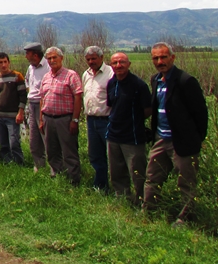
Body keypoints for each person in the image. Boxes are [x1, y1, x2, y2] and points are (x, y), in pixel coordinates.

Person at [143, 42, 208, 225]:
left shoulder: (185, 81)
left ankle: (185, 219)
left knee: (186, 183)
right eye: (156, 58)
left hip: (182, 142)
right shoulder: (155, 79)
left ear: (173, 57)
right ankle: (149, 214)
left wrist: (196, 139)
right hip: (160, 139)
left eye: (163, 57)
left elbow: (200, 113)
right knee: (152, 177)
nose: (160, 61)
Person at [106, 52, 151, 204]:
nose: (118, 65)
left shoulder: (139, 85)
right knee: (116, 172)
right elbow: (112, 105)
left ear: (129, 64)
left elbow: (147, 110)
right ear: (111, 66)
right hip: (113, 135)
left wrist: (132, 121)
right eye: (115, 63)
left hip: (132, 136)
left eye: (122, 62)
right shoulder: (112, 83)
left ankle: (141, 201)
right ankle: (123, 199)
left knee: (137, 173)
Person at [39, 47, 83, 185]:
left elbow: (78, 97)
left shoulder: (71, 75)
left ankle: (74, 180)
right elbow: (42, 98)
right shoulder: (46, 77)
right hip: (48, 118)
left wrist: (75, 120)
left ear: (61, 58)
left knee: (69, 151)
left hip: (65, 119)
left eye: (54, 57)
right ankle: (57, 177)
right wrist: (41, 119)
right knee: (52, 151)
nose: (52, 61)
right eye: (49, 58)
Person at [82, 46, 114, 191]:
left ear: (101, 57)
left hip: (106, 120)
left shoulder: (110, 74)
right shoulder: (86, 74)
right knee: (95, 154)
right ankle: (100, 185)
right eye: (88, 59)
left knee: (112, 154)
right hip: (91, 120)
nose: (91, 61)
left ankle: (117, 187)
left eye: (93, 58)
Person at [0, 52, 27, 165]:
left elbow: (23, 96)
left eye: (5, 62)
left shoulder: (17, 76)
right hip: (0, 116)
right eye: (1, 62)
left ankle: (19, 163)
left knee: (14, 142)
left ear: (9, 62)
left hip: (13, 116)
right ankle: (8, 163)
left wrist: (20, 112)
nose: (4, 65)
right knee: (3, 143)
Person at [24, 42, 50, 173]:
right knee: (34, 138)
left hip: (43, 103)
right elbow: (27, 81)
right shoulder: (30, 68)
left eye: (27, 54)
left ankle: (54, 167)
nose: (25, 57)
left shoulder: (48, 66)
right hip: (32, 102)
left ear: (35, 55)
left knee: (46, 135)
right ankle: (39, 165)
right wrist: (30, 93)